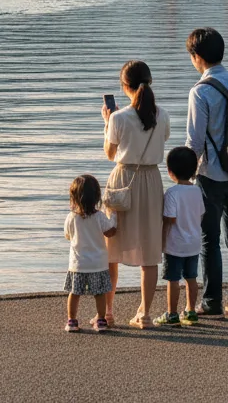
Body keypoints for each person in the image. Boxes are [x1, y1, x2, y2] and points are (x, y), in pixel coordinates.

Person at [183, 27, 228, 317]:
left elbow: (195, 141)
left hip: (211, 174)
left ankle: (211, 302)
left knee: (209, 238)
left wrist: (184, 175)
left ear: (196, 57)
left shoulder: (200, 91)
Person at [101, 59, 171, 329]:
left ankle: (107, 311)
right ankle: (145, 314)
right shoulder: (162, 115)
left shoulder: (118, 117)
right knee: (150, 250)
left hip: (124, 180)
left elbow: (110, 154)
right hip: (152, 180)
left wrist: (107, 123)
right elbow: (160, 140)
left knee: (111, 247)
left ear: (125, 86)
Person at [155, 146, 205, 327]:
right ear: (194, 170)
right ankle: (191, 311)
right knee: (191, 277)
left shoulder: (172, 193)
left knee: (173, 279)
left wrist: (161, 242)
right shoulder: (197, 191)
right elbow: (200, 215)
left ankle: (172, 313)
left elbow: (169, 219)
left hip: (175, 244)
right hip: (194, 243)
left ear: (170, 172)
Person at [63, 174, 117, 333]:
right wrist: (113, 215)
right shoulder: (99, 216)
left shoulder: (71, 217)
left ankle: (72, 321)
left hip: (77, 264)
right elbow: (110, 232)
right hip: (98, 264)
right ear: (96, 197)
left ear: (73, 198)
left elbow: (67, 235)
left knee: (75, 293)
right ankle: (101, 321)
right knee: (99, 293)